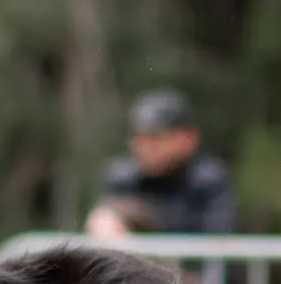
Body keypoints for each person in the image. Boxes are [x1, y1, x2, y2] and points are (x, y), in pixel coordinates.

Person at [85, 90, 236, 238]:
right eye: (138, 137)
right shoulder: (122, 177)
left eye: (155, 137)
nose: (143, 146)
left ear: (188, 139)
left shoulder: (208, 180)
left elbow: (216, 241)